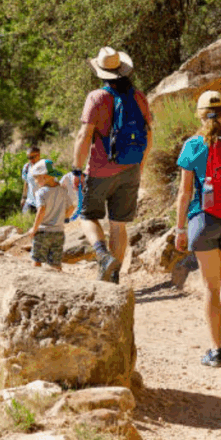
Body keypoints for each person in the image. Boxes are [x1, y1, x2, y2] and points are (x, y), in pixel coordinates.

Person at [175, 90, 221, 367]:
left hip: (202, 219)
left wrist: (179, 229)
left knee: (210, 286)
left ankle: (216, 351)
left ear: (199, 114)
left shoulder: (193, 146)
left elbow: (184, 193)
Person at [72, 47, 152, 284]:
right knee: (118, 225)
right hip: (130, 168)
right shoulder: (139, 97)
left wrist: (77, 169)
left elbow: (84, 136)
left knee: (86, 215)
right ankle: (113, 276)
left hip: (99, 170)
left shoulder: (96, 97)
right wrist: (140, 166)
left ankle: (102, 256)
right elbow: (148, 136)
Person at [28, 159, 75, 271]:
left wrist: (34, 229)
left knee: (37, 260)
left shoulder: (41, 193)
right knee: (56, 262)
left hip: (43, 232)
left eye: (36, 177)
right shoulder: (62, 191)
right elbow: (72, 207)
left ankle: (35, 281)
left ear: (44, 176)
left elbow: (41, 210)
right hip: (59, 232)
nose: (35, 181)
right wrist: (62, 218)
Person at [21, 147, 42, 214]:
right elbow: (26, 182)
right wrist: (23, 197)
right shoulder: (26, 167)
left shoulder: (46, 167)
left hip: (43, 203)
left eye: (32, 157)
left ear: (39, 155)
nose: (30, 160)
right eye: (28, 157)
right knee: (25, 221)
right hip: (30, 202)